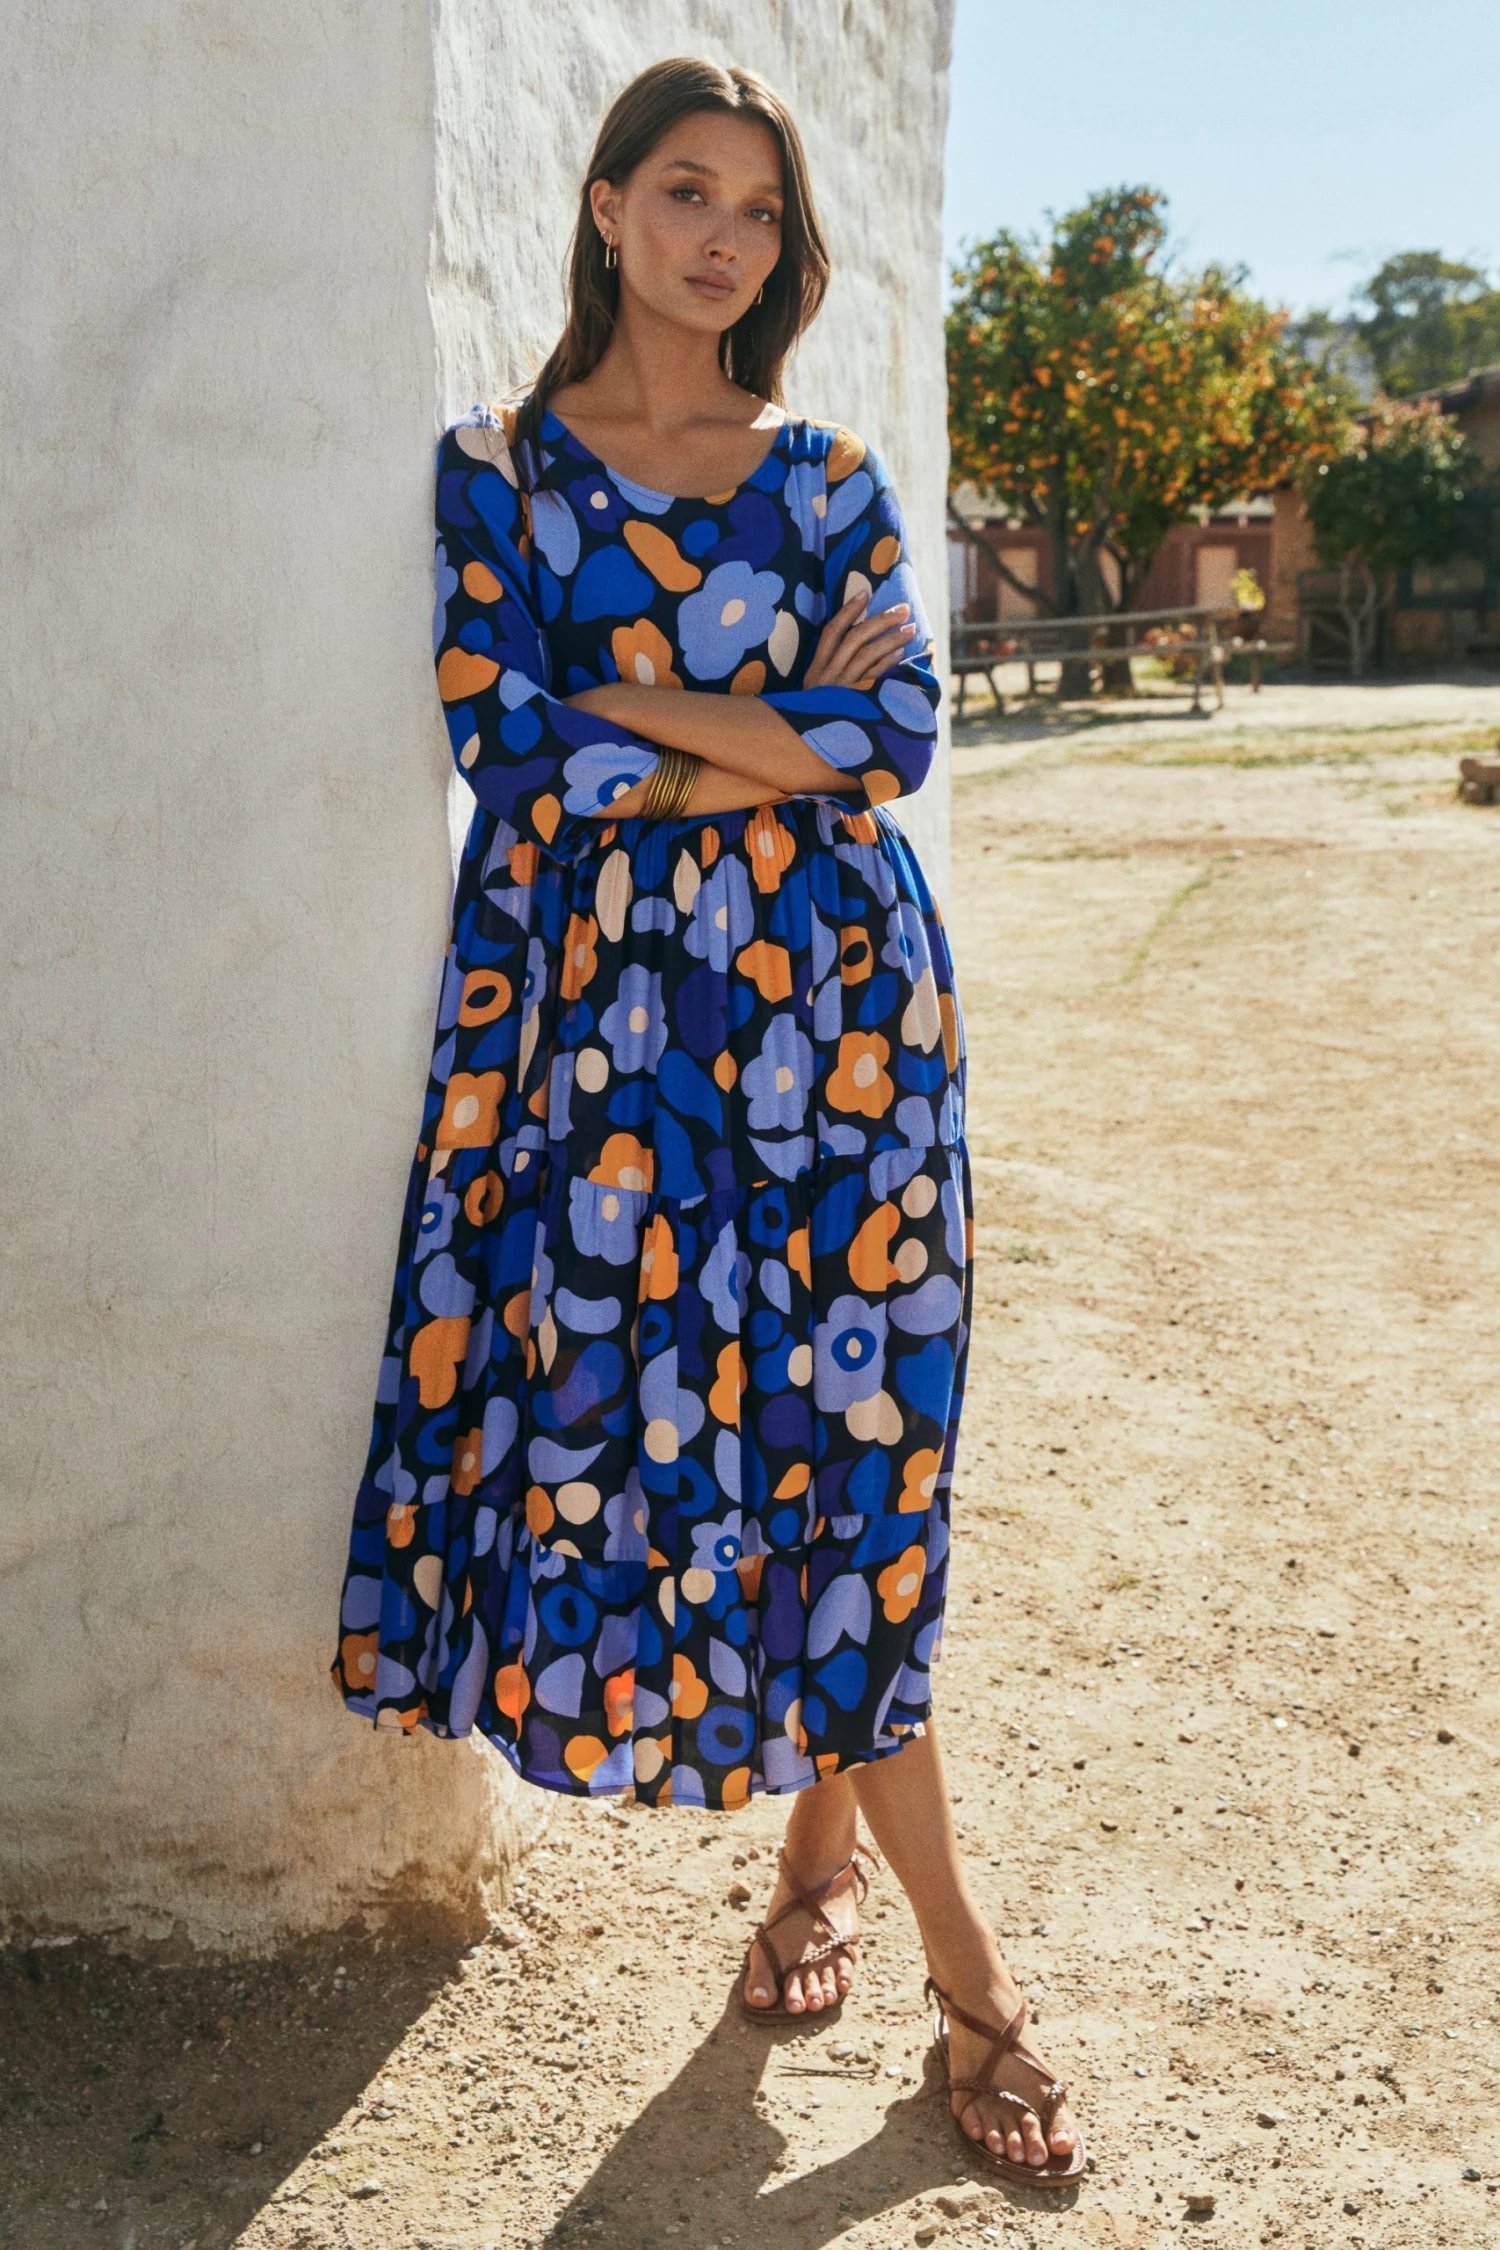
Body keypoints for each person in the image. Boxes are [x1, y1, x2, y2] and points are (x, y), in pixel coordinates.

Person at [331, 55, 1082, 2186]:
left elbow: (894, 732)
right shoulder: (496, 474)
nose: (723, 240)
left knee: (860, 1441)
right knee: (679, 1434)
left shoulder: (827, 474)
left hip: (843, 1026)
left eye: (758, 210)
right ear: (604, 207)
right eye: (686, 192)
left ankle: (942, 1959)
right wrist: (765, 731)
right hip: (602, 1053)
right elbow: (507, 744)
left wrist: (638, 711)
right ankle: (854, 1903)